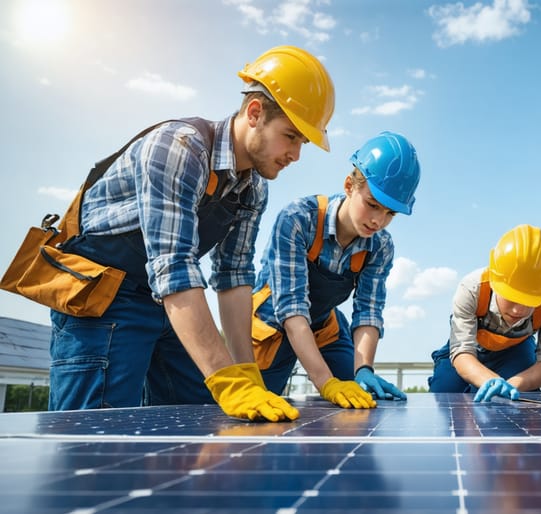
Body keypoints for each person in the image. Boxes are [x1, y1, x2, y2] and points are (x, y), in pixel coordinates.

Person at [49, 45, 336, 422]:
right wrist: (226, 379)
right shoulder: (179, 147)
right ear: (254, 114)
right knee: (95, 432)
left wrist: (245, 374)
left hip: (169, 303)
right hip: (104, 299)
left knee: (196, 419)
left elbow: (233, 277)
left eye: (302, 142)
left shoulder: (253, 188)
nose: (296, 155)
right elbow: (174, 266)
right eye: (291, 136)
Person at [250, 131, 421, 408]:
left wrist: (363, 368)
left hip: (324, 327)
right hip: (272, 329)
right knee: (260, 410)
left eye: (390, 213)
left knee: (361, 398)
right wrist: (326, 383)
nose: (378, 221)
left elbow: (368, 311)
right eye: (372, 205)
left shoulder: (380, 246)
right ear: (349, 186)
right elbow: (292, 311)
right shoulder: (297, 219)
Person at [428, 225, 541, 403]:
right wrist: (489, 380)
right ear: (495, 281)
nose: (519, 310)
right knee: (445, 390)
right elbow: (462, 351)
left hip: (516, 351)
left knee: (521, 396)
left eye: (531, 300)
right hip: (469, 347)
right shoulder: (472, 288)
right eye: (512, 297)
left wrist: (513, 385)